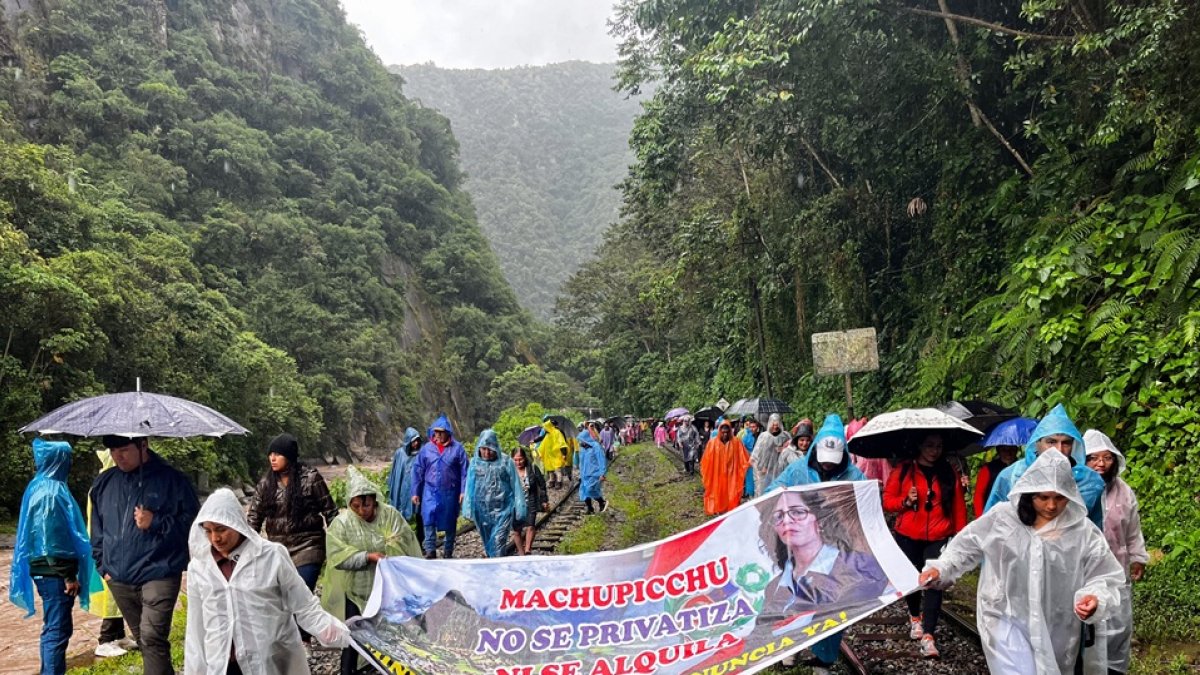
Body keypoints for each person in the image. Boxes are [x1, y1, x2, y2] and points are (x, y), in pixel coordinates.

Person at [919, 451, 1124, 675]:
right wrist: (940, 569)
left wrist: (1094, 597)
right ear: (1029, 494)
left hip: (1056, 625)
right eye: (1043, 497)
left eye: (1059, 497)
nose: (1052, 506)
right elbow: (964, 547)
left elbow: (1104, 575)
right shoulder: (1003, 518)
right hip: (1004, 614)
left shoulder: (1082, 531)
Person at [184, 489, 350, 675]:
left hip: (270, 661)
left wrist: (334, 632)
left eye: (222, 529)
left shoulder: (270, 556)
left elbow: (303, 604)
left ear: (237, 524)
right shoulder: (200, 568)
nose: (215, 538)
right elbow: (196, 628)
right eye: (208, 531)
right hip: (224, 664)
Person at [763, 414, 865, 673]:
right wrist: (778, 495)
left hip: (836, 550)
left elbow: (866, 508)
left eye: (833, 462)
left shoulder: (854, 475)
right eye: (824, 460)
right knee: (794, 596)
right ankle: (791, 648)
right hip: (799, 548)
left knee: (831, 604)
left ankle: (825, 658)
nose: (828, 466)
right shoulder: (799, 471)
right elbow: (773, 489)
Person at [90, 435, 198, 675]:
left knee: (151, 637)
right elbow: (97, 530)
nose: (118, 456)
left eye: (125, 449)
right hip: (118, 577)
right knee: (146, 641)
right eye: (114, 450)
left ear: (143, 445)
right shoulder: (104, 483)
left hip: (159, 572)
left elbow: (194, 526)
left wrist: (155, 521)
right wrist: (103, 567)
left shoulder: (173, 481)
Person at [11, 439, 94, 675]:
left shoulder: (38, 486)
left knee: (54, 628)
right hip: (54, 572)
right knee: (57, 630)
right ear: (59, 460)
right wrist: (68, 576)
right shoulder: (52, 492)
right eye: (67, 458)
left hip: (43, 569)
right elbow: (52, 538)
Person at [882, 433, 968, 658]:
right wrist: (906, 502)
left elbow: (958, 505)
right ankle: (914, 617)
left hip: (939, 535)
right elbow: (888, 502)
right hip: (908, 534)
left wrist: (961, 536)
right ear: (919, 446)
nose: (934, 450)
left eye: (939, 446)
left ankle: (929, 634)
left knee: (933, 581)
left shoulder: (949, 472)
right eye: (929, 445)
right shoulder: (903, 471)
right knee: (912, 580)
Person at [757, 488, 892, 620]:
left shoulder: (859, 565)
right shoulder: (773, 587)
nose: (787, 521)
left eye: (798, 512)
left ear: (819, 519)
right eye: (778, 516)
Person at [1084, 429, 1149, 674]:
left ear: (1115, 460)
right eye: (1093, 458)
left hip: (1117, 568)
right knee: (1088, 625)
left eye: (1106, 458)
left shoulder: (1124, 492)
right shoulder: (1074, 487)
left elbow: (1132, 529)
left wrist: (1138, 557)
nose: (1100, 463)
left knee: (1118, 625)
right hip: (1085, 572)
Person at [246, 433, 339, 603]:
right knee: (280, 602)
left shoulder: (310, 479)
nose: (272, 458)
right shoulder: (266, 484)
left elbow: (331, 512)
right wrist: (244, 548)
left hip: (309, 546)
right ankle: (300, 629)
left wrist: (336, 546)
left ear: (289, 456)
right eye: (270, 454)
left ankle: (304, 627)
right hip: (278, 550)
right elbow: (254, 518)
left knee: (300, 596)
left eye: (278, 454)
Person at [984, 404, 1105, 527]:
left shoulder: (1089, 480)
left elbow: (1094, 526)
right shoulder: (1011, 475)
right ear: (1037, 442)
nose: (1059, 449)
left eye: (1066, 443)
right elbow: (991, 523)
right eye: (1051, 442)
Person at [87, 446, 135, 659]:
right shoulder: (104, 486)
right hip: (108, 551)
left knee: (119, 598)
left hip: (113, 551)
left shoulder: (112, 484)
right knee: (111, 597)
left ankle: (119, 635)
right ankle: (105, 640)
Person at [410, 414, 468, 559]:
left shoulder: (458, 449)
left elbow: (465, 472)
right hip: (430, 491)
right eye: (436, 432)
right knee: (428, 518)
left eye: (441, 432)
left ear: (448, 432)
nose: (438, 435)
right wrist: (415, 492)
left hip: (450, 491)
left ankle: (448, 550)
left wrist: (463, 491)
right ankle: (430, 550)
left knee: (450, 519)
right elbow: (418, 471)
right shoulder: (427, 449)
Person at [464, 430, 527, 557]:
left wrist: (520, 506)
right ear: (479, 448)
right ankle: (493, 566)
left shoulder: (505, 462)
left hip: (503, 510)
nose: (487, 453)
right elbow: (469, 487)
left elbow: (515, 484)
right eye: (484, 449)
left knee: (498, 541)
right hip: (481, 511)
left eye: (490, 449)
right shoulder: (475, 464)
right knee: (488, 542)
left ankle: (498, 567)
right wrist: (467, 507)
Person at [700, 419, 751, 516]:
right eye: (723, 432)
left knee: (731, 494)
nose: (725, 435)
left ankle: (730, 512)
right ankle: (720, 511)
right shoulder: (712, 443)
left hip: (732, 476)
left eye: (727, 432)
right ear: (719, 431)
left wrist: (748, 464)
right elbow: (705, 461)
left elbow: (743, 458)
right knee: (718, 493)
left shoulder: (736, 442)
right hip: (717, 475)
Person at [386, 427, 424, 544]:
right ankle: (404, 542)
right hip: (403, 489)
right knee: (402, 515)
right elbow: (396, 473)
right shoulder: (400, 454)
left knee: (420, 515)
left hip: (418, 490)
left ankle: (420, 540)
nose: (416, 443)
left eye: (417, 440)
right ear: (408, 441)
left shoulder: (422, 453)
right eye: (413, 441)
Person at [511, 447, 548, 555]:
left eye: (520, 459)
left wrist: (544, 500)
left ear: (525, 458)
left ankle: (527, 550)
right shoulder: (509, 471)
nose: (518, 462)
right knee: (517, 530)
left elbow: (542, 485)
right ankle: (521, 553)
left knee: (530, 525)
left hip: (531, 500)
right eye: (516, 460)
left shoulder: (532, 468)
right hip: (515, 503)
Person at [750, 413, 792, 497]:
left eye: (777, 424)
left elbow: (792, 451)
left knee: (778, 491)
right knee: (765, 491)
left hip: (780, 470)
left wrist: (783, 449)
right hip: (765, 470)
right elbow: (757, 454)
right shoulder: (764, 436)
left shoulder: (785, 436)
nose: (775, 427)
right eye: (773, 424)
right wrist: (760, 467)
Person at [973, 444, 1019, 518]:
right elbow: (978, 495)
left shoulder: (1021, 466)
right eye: (1004, 450)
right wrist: (981, 517)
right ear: (998, 450)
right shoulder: (988, 469)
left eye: (1012, 449)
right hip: (993, 513)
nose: (1008, 453)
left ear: (1016, 450)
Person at [577, 422, 609, 513]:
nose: (581, 442)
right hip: (585, 474)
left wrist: (602, 473)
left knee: (590, 490)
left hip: (594, 473)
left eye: (582, 440)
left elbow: (601, 460)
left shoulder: (596, 446)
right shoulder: (583, 449)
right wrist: (580, 473)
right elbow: (582, 462)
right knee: (584, 492)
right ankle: (590, 508)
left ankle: (602, 502)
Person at [539, 418, 569, 489]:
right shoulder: (548, 434)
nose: (545, 429)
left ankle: (559, 482)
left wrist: (564, 454)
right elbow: (542, 441)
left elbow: (562, 443)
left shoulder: (558, 432)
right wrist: (534, 441)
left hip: (557, 455)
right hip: (549, 455)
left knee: (557, 469)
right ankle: (552, 481)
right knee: (550, 470)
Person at [740, 417, 760, 497]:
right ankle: (751, 496)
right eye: (751, 427)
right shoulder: (746, 437)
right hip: (750, 463)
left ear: (757, 427)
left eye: (754, 427)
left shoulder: (760, 436)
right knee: (750, 480)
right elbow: (742, 449)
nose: (752, 429)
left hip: (759, 462)